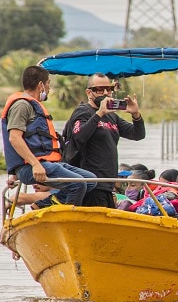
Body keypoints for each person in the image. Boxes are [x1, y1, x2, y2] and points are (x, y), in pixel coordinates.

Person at [1, 65, 94, 208]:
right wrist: (34, 165)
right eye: (48, 84)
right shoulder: (22, 105)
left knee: (91, 180)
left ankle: (45, 203)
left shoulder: (34, 106)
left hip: (47, 163)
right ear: (41, 85)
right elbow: (14, 138)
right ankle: (66, 220)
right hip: (32, 167)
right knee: (78, 184)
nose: (49, 89)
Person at [63, 73, 146, 208]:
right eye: (100, 89)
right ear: (89, 93)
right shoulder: (82, 112)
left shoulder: (112, 116)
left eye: (109, 89)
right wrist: (99, 114)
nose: (106, 93)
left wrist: (136, 115)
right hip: (91, 183)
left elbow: (138, 134)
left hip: (108, 184)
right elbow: (78, 137)